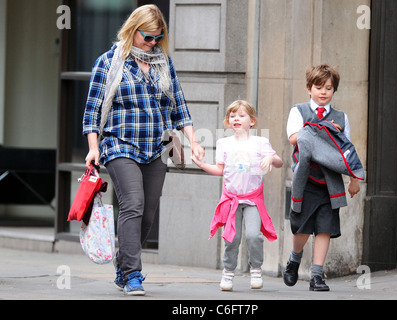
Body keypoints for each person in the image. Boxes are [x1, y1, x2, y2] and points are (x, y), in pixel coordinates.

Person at [82, 4, 204, 296]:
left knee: (147, 215)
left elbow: (179, 106)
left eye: (157, 38)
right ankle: (133, 275)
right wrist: (93, 148)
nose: (152, 43)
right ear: (132, 30)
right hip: (119, 144)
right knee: (133, 204)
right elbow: (92, 111)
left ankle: (123, 265)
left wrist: (193, 140)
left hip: (156, 148)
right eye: (147, 37)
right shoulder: (109, 62)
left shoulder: (163, 63)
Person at [191, 100, 283, 291]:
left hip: (252, 200)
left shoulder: (260, 142)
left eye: (241, 115)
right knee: (232, 238)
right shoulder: (223, 143)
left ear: (252, 121)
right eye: (232, 116)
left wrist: (270, 158)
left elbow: (279, 162)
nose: (236, 119)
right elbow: (219, 170)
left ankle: (256, 269)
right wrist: (201, 165)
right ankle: (228, 273)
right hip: (231, 199)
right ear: (228, 121)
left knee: (253, 236)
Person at [284, 64, 361, 291]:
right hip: (305, 181)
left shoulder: (341, 117)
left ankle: (317, 276)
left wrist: (354, 178)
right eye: (319, 87)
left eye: (328, 88)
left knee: (325, 228)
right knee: (303, 229)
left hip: (330, 183)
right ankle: (294, 260)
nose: (324, 92)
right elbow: (295, 138)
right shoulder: (298, 111)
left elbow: (346, 150)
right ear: (309, 89)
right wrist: (325, 128)